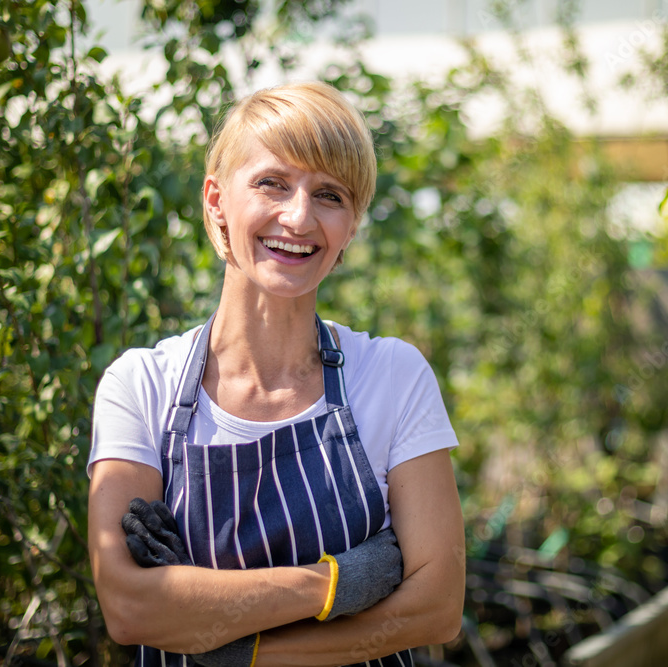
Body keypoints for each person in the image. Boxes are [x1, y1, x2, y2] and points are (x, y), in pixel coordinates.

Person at [87, 81, 465, 667]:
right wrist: (340, 583)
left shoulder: (393, 375)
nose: (298, 216)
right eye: (272, 183)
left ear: (351, 227)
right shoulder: (141, 385)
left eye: (330, 195)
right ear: (216, 200)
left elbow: (435, 608)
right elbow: (131, 608)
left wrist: (242, 647)